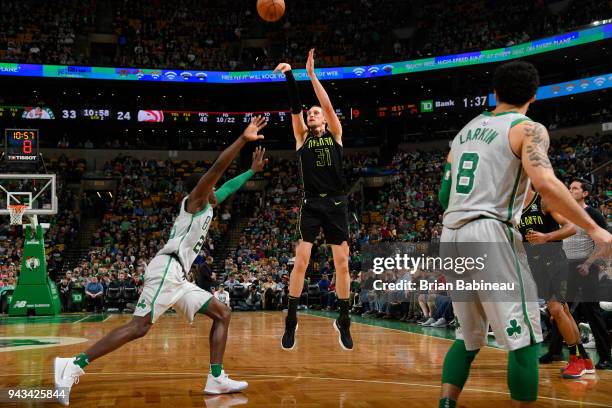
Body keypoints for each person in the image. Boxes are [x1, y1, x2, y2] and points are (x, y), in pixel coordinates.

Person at [53, 118, 269, 406]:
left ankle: (216, 378)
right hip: (167, 268)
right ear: (203, 190)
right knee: (139, 327)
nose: (219, 193)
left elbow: (227, 185)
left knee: (222, 313)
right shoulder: (195, 202)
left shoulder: (208, 205)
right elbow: (218, 171)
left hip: (178, 276)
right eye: (213, 189)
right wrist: (243, 139)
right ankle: (73, 364)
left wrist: (251, 172)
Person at [437, 61, 611, 407]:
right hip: (490, 232)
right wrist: (596, 230)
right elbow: (545, 182)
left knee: (468, 338)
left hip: (451, 235)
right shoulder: (527, 128)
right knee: (525, 341)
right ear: (534, 95)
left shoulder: (464, 132)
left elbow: (444, 196)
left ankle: (446, 404)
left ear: (495, 93)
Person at [275, 49, 353, 350]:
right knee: (302, 261)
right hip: (311, 204)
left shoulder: (335, 133)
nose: (312, 113)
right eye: (310, 113)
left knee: (343, 264)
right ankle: (291, 318)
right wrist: (290, 75)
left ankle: (343, 319)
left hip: (336, 202)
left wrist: (311, 74)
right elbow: (295, 108)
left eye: (315, 112)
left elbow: (329, 105)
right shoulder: (301, 137)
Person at [518, 184, 595, 377]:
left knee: (555, 309)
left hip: (556, 262)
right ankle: (585, 360)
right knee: (564, 311)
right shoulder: (514, 208)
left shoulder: (543, 201)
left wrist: (547, 237)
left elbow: (571, 227)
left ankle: (575, 361)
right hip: (536, 266)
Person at [561, 179, 612, 370]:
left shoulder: (593, 214)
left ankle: (606, 357)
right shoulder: (565, 214)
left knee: (592, 311)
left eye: (575, 188)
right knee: (562, 310)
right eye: (570, 187)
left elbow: (605, 242)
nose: (570, 190)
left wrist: (589, 263)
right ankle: (556, 351)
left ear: (585, 194)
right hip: (568, 266)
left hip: (586, 268)